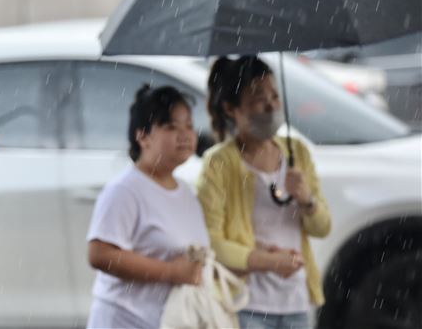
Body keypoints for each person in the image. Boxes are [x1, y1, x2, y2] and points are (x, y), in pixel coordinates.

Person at [197, 55, 332, 329]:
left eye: (274, 95)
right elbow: (210, 243)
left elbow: (322, 228)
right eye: (259, 98)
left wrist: (307, 200)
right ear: (231, 108)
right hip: (246, 305)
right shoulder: (218, 164)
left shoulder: (298, 153)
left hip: (296, 301)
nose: (271, 105)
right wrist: (269, 262)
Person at [86, 85, 210, 328]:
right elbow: (100, 254)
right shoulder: (125, 190)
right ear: (142, 136)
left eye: (189, 125)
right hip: (125, 319)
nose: (185, 134)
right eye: (171, 126)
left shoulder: (185, 191)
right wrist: (170, 271)